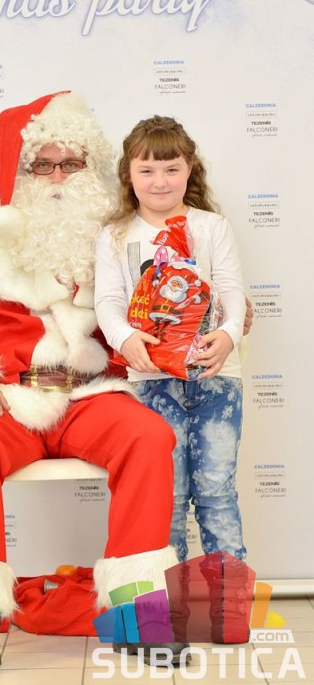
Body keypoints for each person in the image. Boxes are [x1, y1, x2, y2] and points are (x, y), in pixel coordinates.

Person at [0, 93, 187, 683]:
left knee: (148, 436)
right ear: (19, 175)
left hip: (91, 395)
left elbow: (165, 313)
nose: (59, 177)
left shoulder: (124, 238)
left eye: (71, 163)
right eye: (43, 165)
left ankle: (136, 611)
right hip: (12, 400)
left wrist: (217, 319)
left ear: (91, 167)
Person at [95, 115, 247, 569]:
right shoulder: (115, 235)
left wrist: (227, 336)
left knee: (217, 490)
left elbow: (232, 290)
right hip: (151, 380)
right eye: (146, 170)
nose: (159, 181)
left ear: (189, 170)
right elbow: (108, 301)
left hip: (217, 377)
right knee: (167, 495)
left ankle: (228, 599)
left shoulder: (212, 227)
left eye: (171, 169)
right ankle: (166, 600)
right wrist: (125, 338)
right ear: (128, 174)